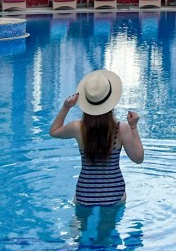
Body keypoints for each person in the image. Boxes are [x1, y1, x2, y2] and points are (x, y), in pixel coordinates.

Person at [49, 68, 144, 206]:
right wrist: (134, 127)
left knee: (80, 224)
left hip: (84, 195)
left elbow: (54, 131)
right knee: (108, 227)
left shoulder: (78, 128)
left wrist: (66, 107)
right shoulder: (122, 129)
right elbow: (138, 158)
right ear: (110, 101)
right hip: (114, 195)